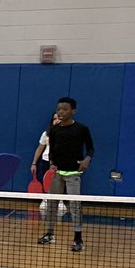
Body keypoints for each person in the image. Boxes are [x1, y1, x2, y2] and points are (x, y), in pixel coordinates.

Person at [38, 96, 94, 253]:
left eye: (65, 109)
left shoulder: (82, 129)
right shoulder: (54, 130)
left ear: (73, 111)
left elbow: (91, 148)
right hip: (57, 174)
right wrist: (51, 163)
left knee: (75, 206)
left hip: (73, 174)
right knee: (51, 205)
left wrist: (86, 160)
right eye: (58, 109)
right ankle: (49, 234)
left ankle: (78, 239)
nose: (61, 112)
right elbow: (53, 150)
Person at [30, 113, 66, 220]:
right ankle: (45, 199)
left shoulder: (68, 134)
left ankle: (60, 201)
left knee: (61, 182)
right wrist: (34, 163)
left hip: (61, 162)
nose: (56, 120)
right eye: (54, 119)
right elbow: (40, 149)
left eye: (59, 118)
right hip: (46, 161)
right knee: (46, 182)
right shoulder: (46, 134)